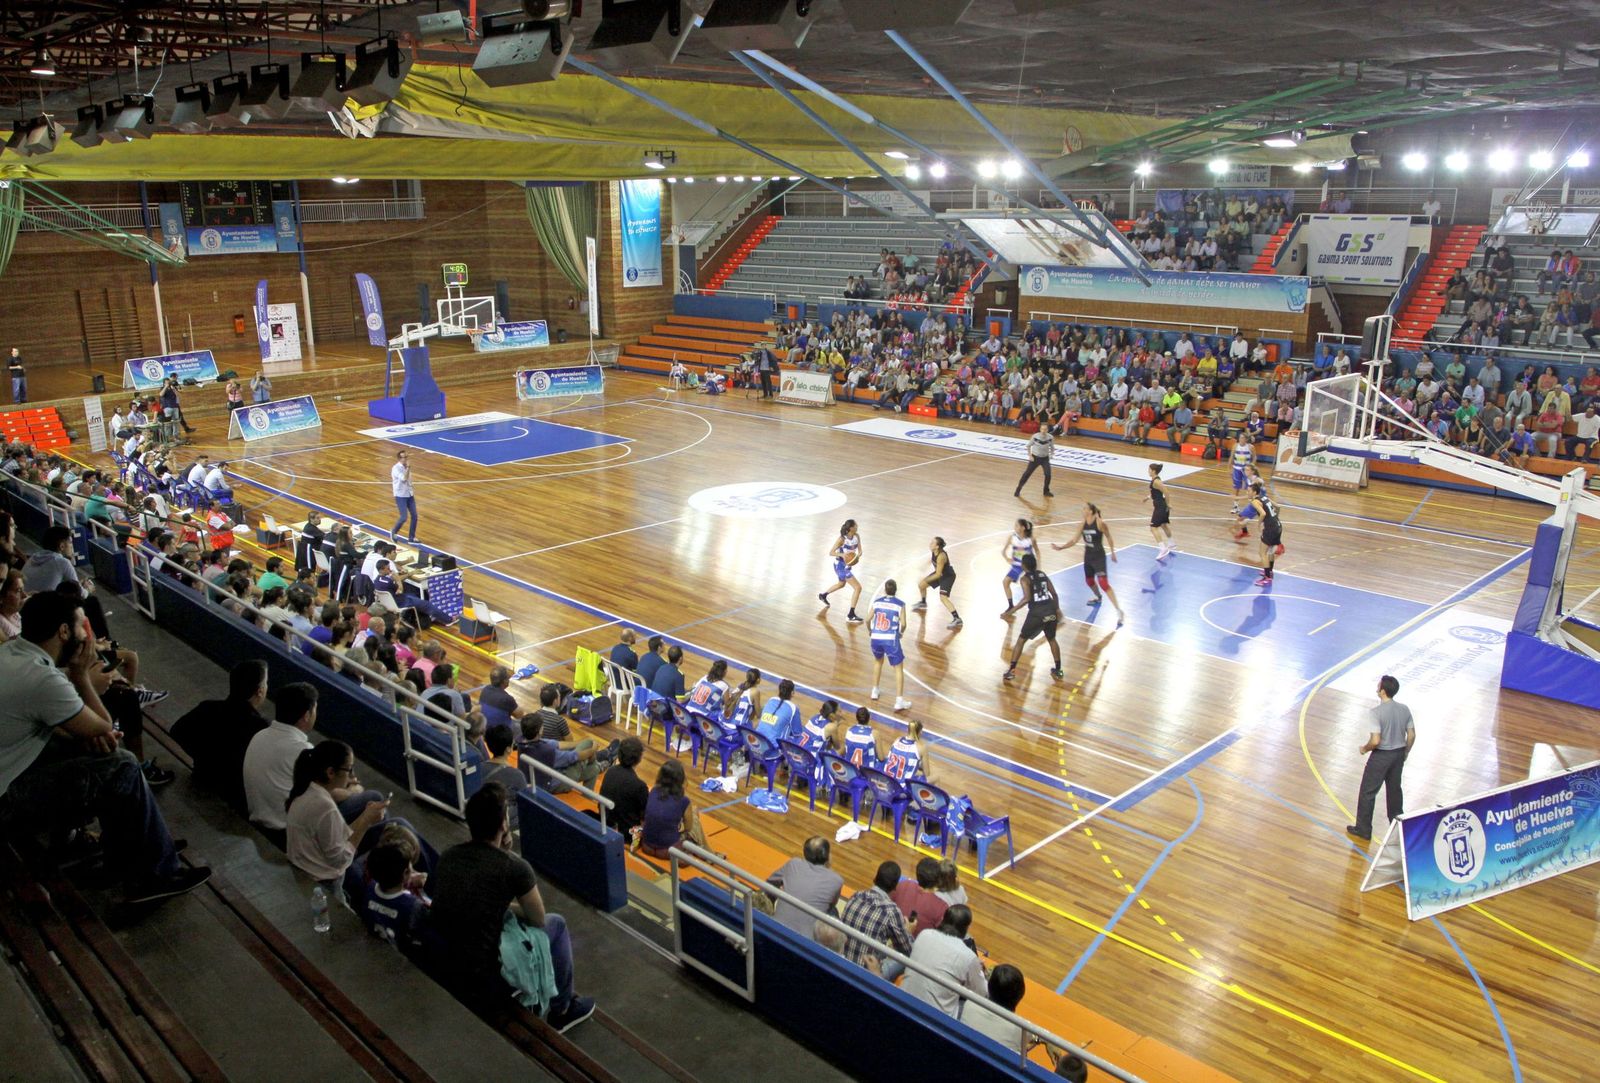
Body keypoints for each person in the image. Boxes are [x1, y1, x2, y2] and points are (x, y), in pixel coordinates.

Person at [0, 592, 210, 906]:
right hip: (7, 800)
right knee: (121, 764)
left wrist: (86, 733)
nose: (88, 637)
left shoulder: (14, 652)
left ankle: (133, 852)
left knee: (101, 754)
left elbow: (83, 729)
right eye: (82, 627)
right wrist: (82, 676)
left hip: (14, 769)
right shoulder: (42, 678)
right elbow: (106, 728)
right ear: (63, 632)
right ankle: (156, 874)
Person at [427, 783, 596, 1031]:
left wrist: (502, 905)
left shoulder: (449, 856)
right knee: (556, 924)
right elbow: (538, 919)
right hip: (486, 970)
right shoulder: (513, 867)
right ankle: (562, 1009)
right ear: (504, 825)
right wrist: (509, 859)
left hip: (450, 954)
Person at [242, 683, 381, 841]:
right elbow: (326, 795)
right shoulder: (302, 750)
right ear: (307, 715)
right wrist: (352, 791)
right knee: (374, 798)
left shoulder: (260, 735)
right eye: (315, 709)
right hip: (286, 830)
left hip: (261, 819)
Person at [169, 659, 271, 813]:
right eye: (266, 683)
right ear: (260, 691)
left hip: (203, 775)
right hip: (235, 796)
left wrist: (202, 755)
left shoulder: (208, 707)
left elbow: (177, 731)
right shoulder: (261, 728)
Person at [285, 740, 390, 884]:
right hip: (323, 880)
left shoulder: (307, 790)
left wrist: (366, 815)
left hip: (305, 867)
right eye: (349, 769)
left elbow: (337, 837)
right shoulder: (325, 807)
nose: (352, 776)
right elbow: (340, 860)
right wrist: (366, 820)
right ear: (330, 772)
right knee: (393, 828)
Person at [1346, 675, 1416, 841]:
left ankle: (1363, 829)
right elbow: (1412, 735)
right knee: (1394, 791)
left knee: (1368, 792)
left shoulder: (1376, 713)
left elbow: (1376, 740)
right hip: (1398, 755)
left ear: (1382, 691)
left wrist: (1364, 748)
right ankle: (1398, 827)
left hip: (1381, 757)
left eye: (1378, 686)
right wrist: (1405, 752)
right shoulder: (1404, 709)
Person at [902, 904, 987, 1019]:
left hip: (903, 1003)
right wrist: (981, 972)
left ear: (943, 919)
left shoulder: (924, 934)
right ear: (966, 929)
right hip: (935, 1020)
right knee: (972, 1005)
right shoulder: (969, 957)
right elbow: (982, 994)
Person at [840, 860, 916, 980]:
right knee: (904, 959)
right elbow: (908, 950)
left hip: (842, 962)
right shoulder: (891, 911)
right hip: (867, 973)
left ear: (875, 878)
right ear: (895, 886)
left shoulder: (856, 895)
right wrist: (908, 932)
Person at [1052, 502, 1124, 625]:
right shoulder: (1082, 524)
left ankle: (1118, 611)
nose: (1083, 510)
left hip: (1099, 556)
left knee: (1103, 583)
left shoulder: (1100, 523)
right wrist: (1061, 547)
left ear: (1090, 511)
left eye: (1085, 508)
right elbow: (1074, 540)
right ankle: (1098, 597)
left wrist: (1112, 552)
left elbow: (1109, 537)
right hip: (1088, 556)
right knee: (1089, 581)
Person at [766, 836, 844, 939]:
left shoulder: (793, 864)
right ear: (828, 856)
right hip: (805, 943)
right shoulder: (837, 880)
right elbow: (831, 905)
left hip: (775, 931)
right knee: (833, 912)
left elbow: (769, 884)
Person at [1004, 552, 1064, 682]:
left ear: (1023, 566)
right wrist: (1057, 609)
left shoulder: (1025, 579)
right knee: (1052, 639)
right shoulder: (1042, 575)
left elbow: (1026, 599)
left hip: (1037, 614)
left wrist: (1011, 611)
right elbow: (1054, 594)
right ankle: (1058, 670)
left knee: (1021, 641)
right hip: (1050, 611)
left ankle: (1011, 671)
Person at [638, 758, 709, 858]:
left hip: (646, 846)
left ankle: (706, 852)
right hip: (668, 850)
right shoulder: (684, 800)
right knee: (694, 816)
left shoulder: (654, 791)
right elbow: (688, 828)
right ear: (681, 779)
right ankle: (707, 853)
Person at [963, 963, 1030, 1055]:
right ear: (1021, 994)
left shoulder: (969, 1004)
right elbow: (1033, 1036)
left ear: (989, 987)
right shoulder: (1019, 1028)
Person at [868, 579, 911, 711]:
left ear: (885, 590)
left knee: (877, 662)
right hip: (890, 639)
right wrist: (900, 633)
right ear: (895, 590)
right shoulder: (900, 604)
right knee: (898, 669)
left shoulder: (877, 602)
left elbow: (867, 619)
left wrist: (870, 631)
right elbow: (903, 624)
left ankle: (874, 691)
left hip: (876, 637)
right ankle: (899, 701)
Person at [597, 736, 648, 841]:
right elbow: (645, 815)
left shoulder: (610, 772)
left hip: (605, 822)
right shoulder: (639, 786)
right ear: (638, 759)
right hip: (628, 834)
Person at [818, 519, 864, 624]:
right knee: (858, 587)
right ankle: (851, 615)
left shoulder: (857, 536)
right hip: (840, 566)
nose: (857, 525)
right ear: (851, 528)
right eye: (855, 525)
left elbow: (860, 551)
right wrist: (842, 555)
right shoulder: (841, 539)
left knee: (841, 584)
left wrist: (856, 557)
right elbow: (831, 552)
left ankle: (823, 595)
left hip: (847, 565)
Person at [913, 536, 962, 629]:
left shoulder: (941, 557)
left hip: (947, 576)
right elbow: (932, 560)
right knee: (921, 585)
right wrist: (925, 565)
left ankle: (957, 619)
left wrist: (926, 579)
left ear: (937, 546)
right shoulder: (934, 551)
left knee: (943, 598)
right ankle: (923, 603)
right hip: (940, 573)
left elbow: (938, 574)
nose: (930, 544)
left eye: (932, 543)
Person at [1245, 479, 1285, 587]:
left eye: (1249, 491)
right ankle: (1269, 571)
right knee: (1271, 551)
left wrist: (1259, 525)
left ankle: (1267, 578)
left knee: (1262, 553)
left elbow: (1262, 513)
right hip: (1278, 525)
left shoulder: (1255, 501)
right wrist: (1274, 518)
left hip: (1270, 529)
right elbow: (1278, 506)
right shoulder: (1264, 497)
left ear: (1254, 492)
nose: (1247, 492)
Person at [999, 519, 1036, 618]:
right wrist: (1007, 559)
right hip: (1016, 565)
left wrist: (1038, 565)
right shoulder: (1012, 537)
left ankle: (1034, 605)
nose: (1014, 528)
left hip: (1027, 566)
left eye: (1016, 526)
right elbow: (1003, 551)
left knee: (1030, 588)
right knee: (1005, 582)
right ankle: (1011, 606)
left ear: (1023, 528)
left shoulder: (1030, 539)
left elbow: (1037, 552)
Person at [1013, 423, 1055, 498]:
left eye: (1045, 429)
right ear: (1040, 429)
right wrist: (1030, 455)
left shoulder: (1050, 437)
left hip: (1045, 458)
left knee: (1048, 475)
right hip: (1035, 458)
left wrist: (1052, 454)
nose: (1043, 431)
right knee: (1026, 474)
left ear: (1047, 430)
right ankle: (1018, 489)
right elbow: (1028, 446)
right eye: (1042, 429)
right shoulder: (1035, 436)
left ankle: (1046, 491)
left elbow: (1052, 447)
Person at [755, 678, 801, 744]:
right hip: (773, 747)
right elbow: (797, 734)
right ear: (792, 693)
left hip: (756, 740)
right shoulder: (793, 708)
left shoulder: (771, 700)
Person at [1230, 429, 1257, 541]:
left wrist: (1251, 466)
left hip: (1257, 504)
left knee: (1240, 520)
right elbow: (1231, 457)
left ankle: (1241, 531)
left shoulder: (1255, 480)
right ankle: (1236, 507)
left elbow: (1254, 457)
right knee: (1241, 518)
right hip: (1237, 468)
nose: (1241, 439)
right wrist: (1229, 467)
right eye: (1240, 438)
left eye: (1243, 438)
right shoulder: (1235, 446)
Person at [1145, 462, 1174, 559]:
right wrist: (1148, 497)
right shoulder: (1155, 480)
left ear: (1153, 471)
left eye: (1149, 469)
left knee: (1153, 527)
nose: (1148, 471)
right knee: (1163, 525)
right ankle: (1171, 543)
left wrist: (1169, 503)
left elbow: (1166, 491)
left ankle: (1163, 549)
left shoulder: (1156, 481)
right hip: (1162, 506)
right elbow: (1157, 493)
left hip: (1161, 507)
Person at [390, 450, 418, 544]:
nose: (406, 459)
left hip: (409, 494)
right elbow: (404, 478)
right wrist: (408, 468)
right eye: (404, 457)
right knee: (404, 517)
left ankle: (411, 537)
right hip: (400, 495)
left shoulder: (406, 467)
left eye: (407, 457)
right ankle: (394, 531)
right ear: (399, 458)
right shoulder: (396, 468)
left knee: (415, 515)